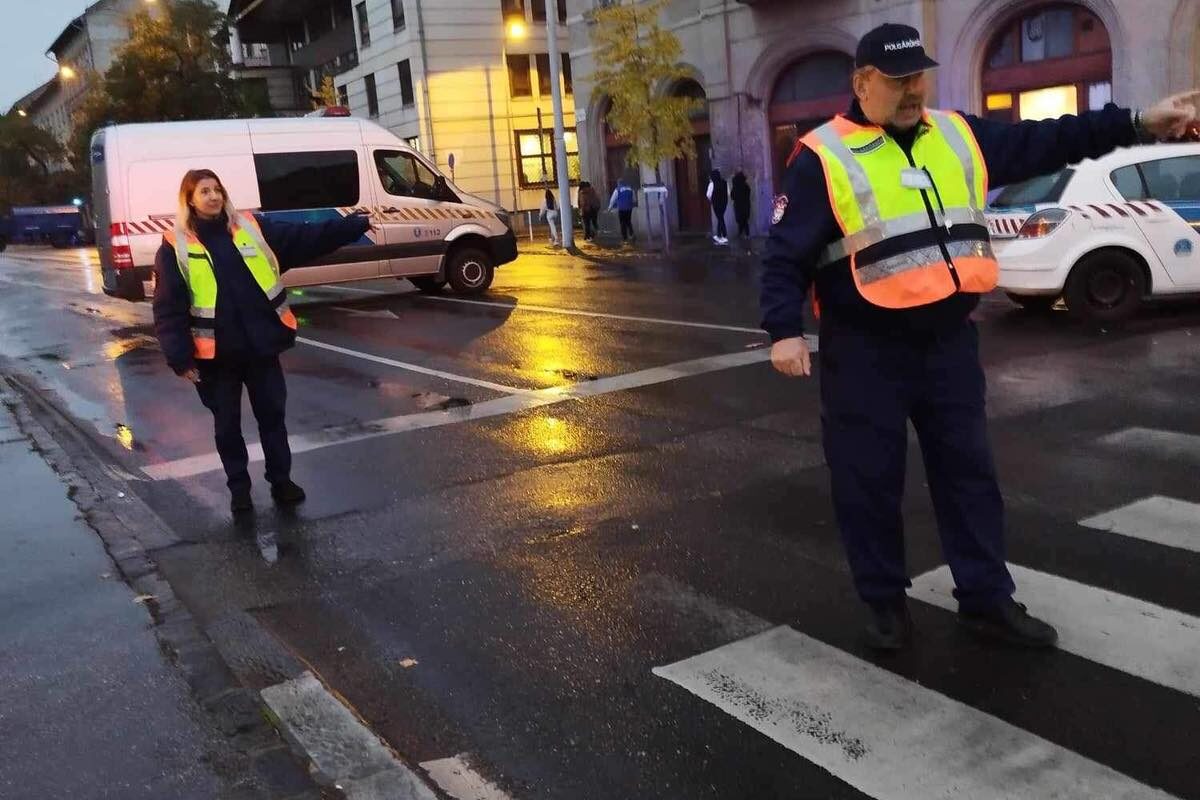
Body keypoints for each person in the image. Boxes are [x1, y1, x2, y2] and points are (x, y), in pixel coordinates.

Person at [761, 23, 1200, 651]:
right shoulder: (823, 156)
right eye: (897, 79)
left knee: (969, 475)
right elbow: (784, 255)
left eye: (918, 75)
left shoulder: (958, 134)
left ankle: (986, 599)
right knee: (868, 482)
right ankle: (884, 604)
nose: (913, 89)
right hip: (865, 352)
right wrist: (784, 330)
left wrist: (1135, 122)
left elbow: (1049, 140)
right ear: (862, 83)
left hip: (948, 344)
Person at [152, 169, 371, 514]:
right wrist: (181, 359)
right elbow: (168, 308)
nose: (212, 196)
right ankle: (239, 489)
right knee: (227, 427)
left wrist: (352, 226)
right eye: (204, 191)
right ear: (190, 200)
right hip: (216, 358)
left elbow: (305, 238)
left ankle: (281, 481)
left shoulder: (251, 229)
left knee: (272, 418)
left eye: (217, 189)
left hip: (262, 349)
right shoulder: (175, 246)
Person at [609, 178, 636, 243]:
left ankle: (625, 239)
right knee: (628, 221)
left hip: (621, 208)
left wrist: (609, 208)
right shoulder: (631, 189)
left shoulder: (617, 190)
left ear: (619, 183)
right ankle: (631, 234)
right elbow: (634, 199)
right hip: (629, 208)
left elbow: (613, 200)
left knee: (622, 223)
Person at [706, 168, 729, 245]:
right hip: (724, 203)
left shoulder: (712, 184)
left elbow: (708, 195)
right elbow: (728, 193)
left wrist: (711, 200)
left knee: (720, 218)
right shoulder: (725, 182)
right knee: (720, 217)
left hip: (716, 203)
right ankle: (720, 235)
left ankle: (723, 235)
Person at [731, 170, 751, 240]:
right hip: (745, 205)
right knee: (745, 220)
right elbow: (748, 194)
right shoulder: (746, 186)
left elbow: (732, 196)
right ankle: (746, 234)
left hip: (738, 206)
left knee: (740, 220)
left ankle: (741, 234)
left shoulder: (735, 187)